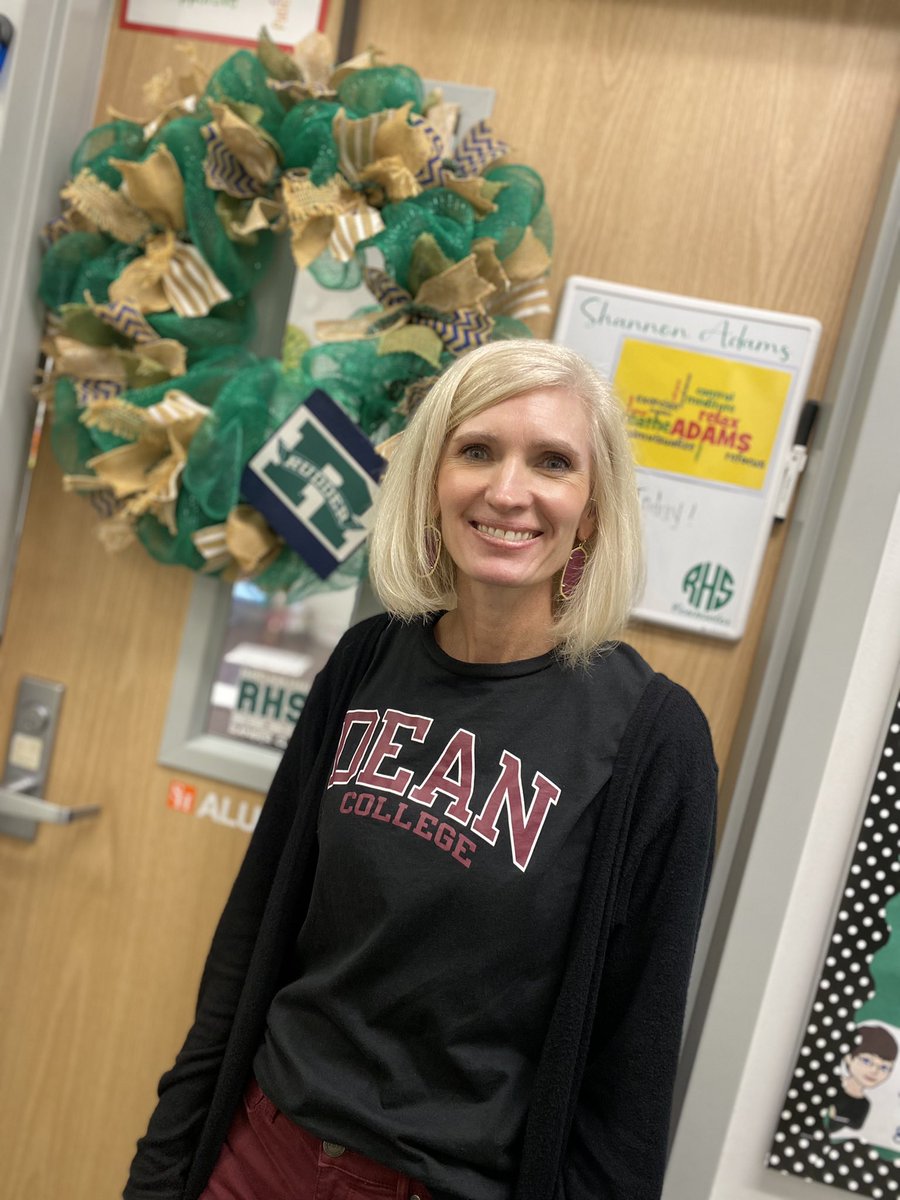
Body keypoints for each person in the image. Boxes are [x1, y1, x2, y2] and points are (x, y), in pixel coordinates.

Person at [124, 339, 718, 1200]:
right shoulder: (367, 660)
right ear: (434, 481)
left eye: (552, 462)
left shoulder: (654, 739)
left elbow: (633, 1065)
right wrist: (164, 1165)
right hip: (258, 1153)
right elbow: (250, 935)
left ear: (591, 511)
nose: (507, 491)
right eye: (477, 450)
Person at [826, 1024, 897, 1137]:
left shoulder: (864, 1104)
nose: (874, 1071)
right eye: (866, 1061)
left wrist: (835, 1117)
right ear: (849, 1058)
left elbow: (856, 1127)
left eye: (884, 1067)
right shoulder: (831, 1085)